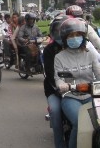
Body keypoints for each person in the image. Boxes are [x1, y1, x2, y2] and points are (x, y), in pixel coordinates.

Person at [53, 18, 100, 148]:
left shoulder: (90, 54)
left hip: (91, 95)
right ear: (65, 38)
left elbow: (99, 74)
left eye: (78, 35)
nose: (74, 38)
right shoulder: (59, 57)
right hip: (71, 97)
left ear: (83, 37)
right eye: (71, 35)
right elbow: (58, 78)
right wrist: (61, 85)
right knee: (80, 122)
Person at [43, 14, 71, 148]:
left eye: (63, 30)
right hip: (55, 89)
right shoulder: (49, 50)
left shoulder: (80, 46)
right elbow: (49, 73)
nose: (60, 33)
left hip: (79, 87)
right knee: (55, 111)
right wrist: (59, 86)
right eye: (57, 30)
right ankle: (60, 144)